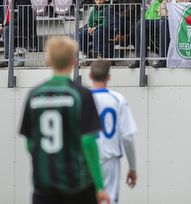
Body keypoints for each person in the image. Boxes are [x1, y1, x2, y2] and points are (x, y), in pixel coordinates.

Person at [19, 36, 110, 204]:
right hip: (77, 185)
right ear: (74, 61)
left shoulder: (34, 95)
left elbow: (30, 143)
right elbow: (88, 142)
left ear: (48, 61)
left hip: (43, 185)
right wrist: (99, 185)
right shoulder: (82, 94)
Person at [90, 60, 138, 203]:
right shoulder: (118, 99)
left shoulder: (83, 98)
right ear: (109, 77)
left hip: (88, 159)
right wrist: (132, 168)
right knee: (108, 200)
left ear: (90, 76)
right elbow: (127, 137)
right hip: (110, 160)